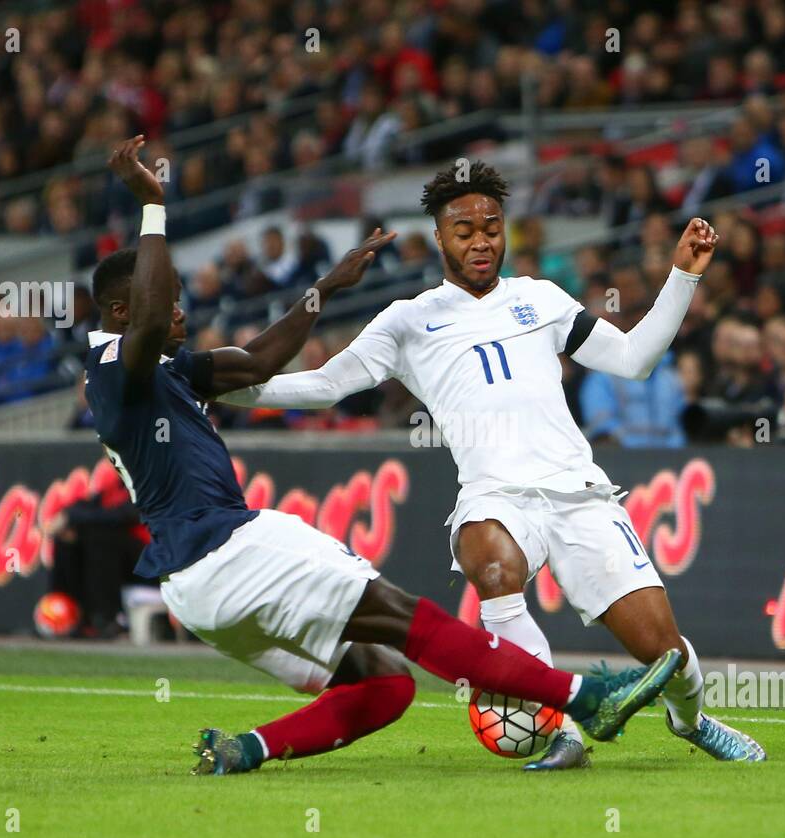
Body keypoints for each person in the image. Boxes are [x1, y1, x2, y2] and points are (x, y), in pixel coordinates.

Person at [88, 137, 681, 776]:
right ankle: (583, 698)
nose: (179, 310)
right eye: (168, 298)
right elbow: (156, 326)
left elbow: (258, 364)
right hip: (231, 547)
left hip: (195, 594)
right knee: (412, 620)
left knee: (386, 685)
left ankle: (245, 749)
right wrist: (153, 208)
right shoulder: (117, 363)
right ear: (122, 311)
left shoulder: (166, 368)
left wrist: (324, 288)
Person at [224, 161, 766, 768]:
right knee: (492, 564)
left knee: (663, 651)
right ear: (439, 237)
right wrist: (229, 391)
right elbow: (326, 384)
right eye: (464, 230)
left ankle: (692, 721)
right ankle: (561, 727)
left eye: (491, 227)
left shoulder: (538, 298)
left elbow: (635, 359)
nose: (480, 241)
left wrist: (681, 278)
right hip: (493, 496)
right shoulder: (408, 320)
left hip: (578, 492)